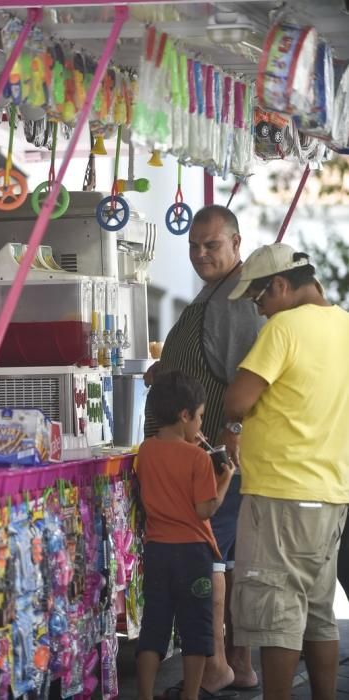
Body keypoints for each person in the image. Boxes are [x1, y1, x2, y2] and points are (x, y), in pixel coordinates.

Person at [144, 204, 263, 694]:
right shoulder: (214, 292)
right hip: (212, 455)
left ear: (237, 244)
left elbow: (241, 381)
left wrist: (228, 439)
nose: (199, 254)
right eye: (193, 245)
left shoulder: (235, 300)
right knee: (230, 561)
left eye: (211, 244)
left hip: (213, 456)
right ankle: (239, 663)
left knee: (208, 561)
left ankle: (215, 668)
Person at [224, 242, 349, 700]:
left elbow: (237, 399)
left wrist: (233, 426)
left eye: (259, 300)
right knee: (317, 613)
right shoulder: (344, 326)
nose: (259, 312)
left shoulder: (285, 327)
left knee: (277, 614)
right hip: (331, 494)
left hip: (281, 494)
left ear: (280, 286)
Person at [136, 370, 235, 700]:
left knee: (155, 626)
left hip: (157, 551)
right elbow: (204, 510)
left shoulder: (145, 451)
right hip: (194, 554)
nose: (201, 425)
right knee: (196, 627)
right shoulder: (197, 457)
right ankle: (190, 696)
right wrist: (225, 480)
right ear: (185, 415)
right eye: (200, 417)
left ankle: (145, 695)